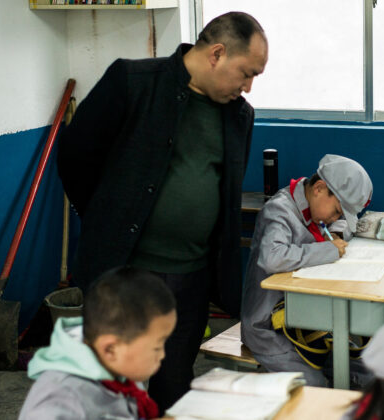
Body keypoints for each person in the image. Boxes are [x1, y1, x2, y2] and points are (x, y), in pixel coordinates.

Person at [57, 11, 268, 411]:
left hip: (191, 278)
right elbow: (74, 156)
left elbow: (223, 190)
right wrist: (107, 221)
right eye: (246, 73)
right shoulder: (133, 83)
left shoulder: (239, 116)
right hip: (125, 273)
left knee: (174, 387)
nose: (249, 87)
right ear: (217, 54)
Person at [241, 154, 374, 387]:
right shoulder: (279, 211)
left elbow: (331, 224)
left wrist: (338, 231)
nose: (336, 218)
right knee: (316, 387)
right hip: (269, 328)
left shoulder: (313, 205)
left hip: (307, 322)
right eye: (337, 212)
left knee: (367, 371)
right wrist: (328, 250)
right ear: (319, 188)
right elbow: (273, 257)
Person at [19, 267, 176, 420]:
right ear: (110, 349)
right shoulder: (61, 399)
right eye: (156, 347)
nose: (162, 355)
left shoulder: (120, 369)